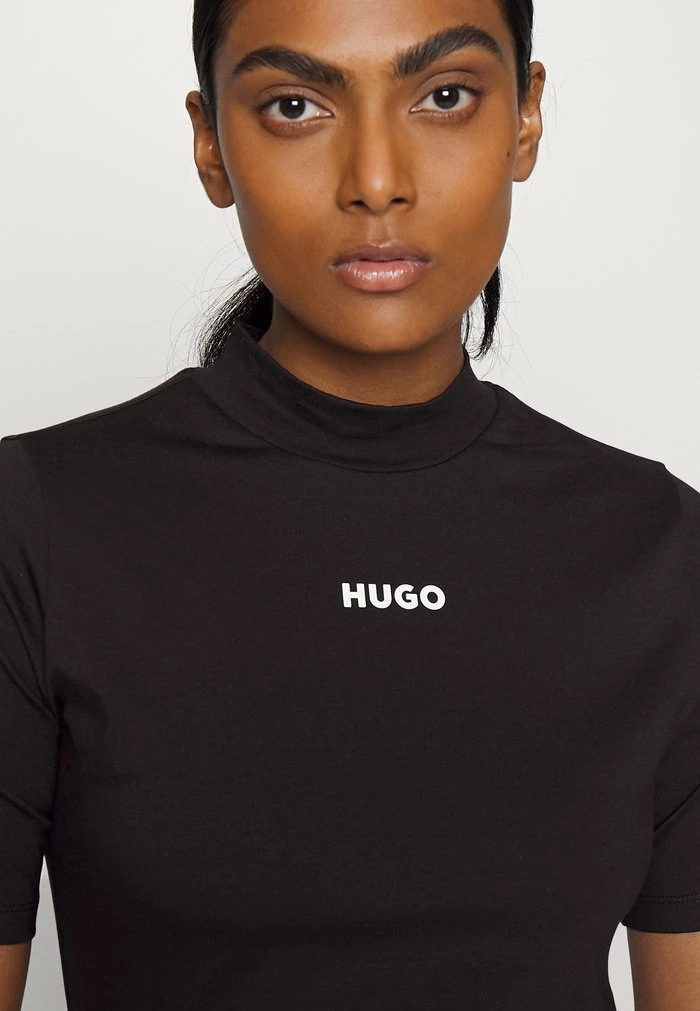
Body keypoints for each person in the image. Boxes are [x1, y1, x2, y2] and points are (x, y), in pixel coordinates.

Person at [1, 0, 698, 1008]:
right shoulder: (36, 526)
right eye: (295, 105)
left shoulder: (660, 550)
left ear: (526, 120)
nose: (377, 180)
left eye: (444, 96)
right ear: (210, 143)